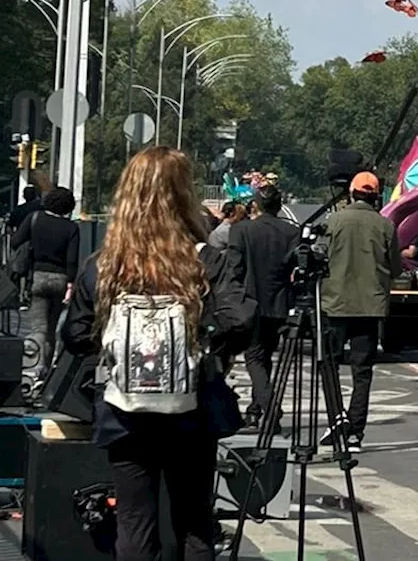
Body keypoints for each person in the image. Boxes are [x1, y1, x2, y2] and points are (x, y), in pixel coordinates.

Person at [60, 146, 253, 561]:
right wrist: (205, 347)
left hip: (124, 412)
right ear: (184, 196)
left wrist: (116, 347)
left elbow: (74, 335)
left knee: (134, 522)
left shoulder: (105, 265)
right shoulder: (205, 261)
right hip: (193, 409)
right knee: (194, 521)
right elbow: (240, 321)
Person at [320, 172, 398, 452]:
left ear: (351, 193)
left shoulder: (334, 221)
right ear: (376, 197)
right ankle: (355, 432)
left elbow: (320, 259)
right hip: (370, 307)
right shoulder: (385, 226)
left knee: (328, 365)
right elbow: (397, 267)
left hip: (336, 304)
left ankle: (337, 417)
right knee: (362, 371)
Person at [228, 184, 299, 432]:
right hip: (279, 304)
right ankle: (257, 410)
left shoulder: (241, 230)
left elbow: (234, 270)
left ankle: (269, 407)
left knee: (254, 358)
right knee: (264, 356)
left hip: (249, 303)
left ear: (255, 205)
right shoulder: (291, 232)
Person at [12, 187, 79, 382]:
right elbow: (72, 260)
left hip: (38, 277)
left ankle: (31, 369)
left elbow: (16, 241)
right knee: (51, 330)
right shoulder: (71, 228)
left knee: (38, 328)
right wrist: (70, 286)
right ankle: (45, 372)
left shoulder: (35, 218)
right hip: (60, 280)